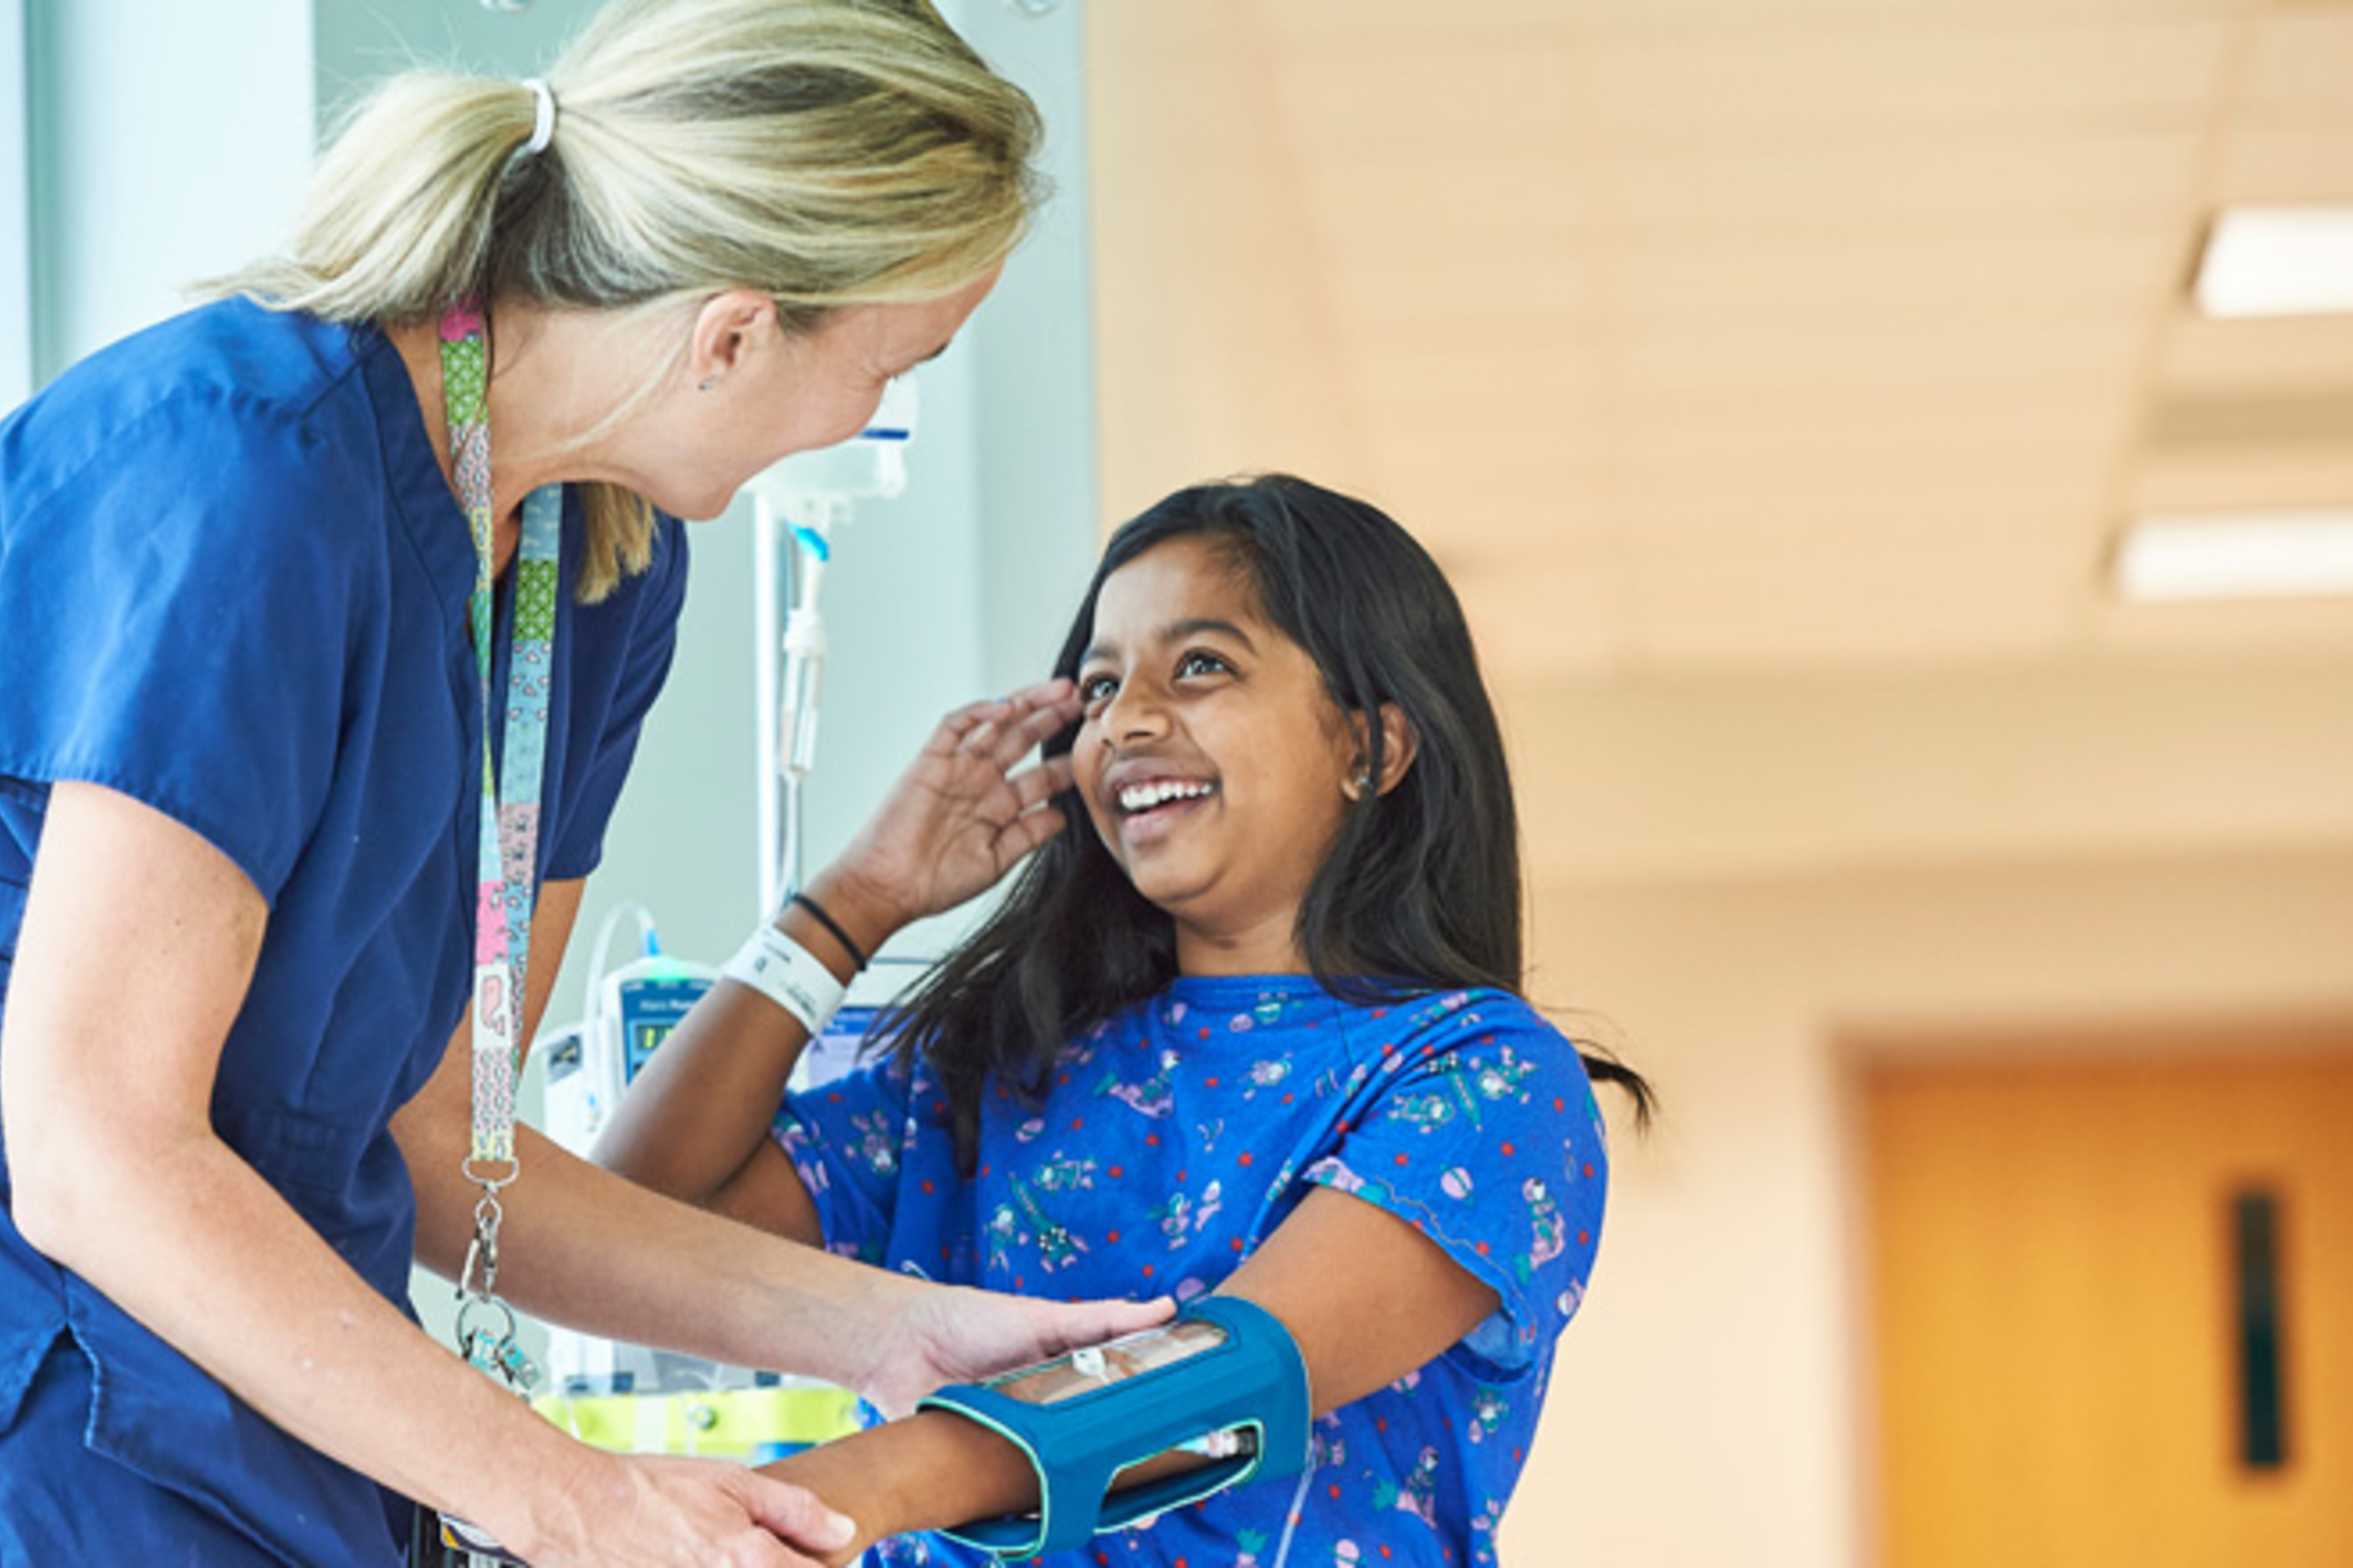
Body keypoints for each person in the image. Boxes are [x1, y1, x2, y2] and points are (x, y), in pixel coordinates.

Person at [0, 3, 1171, 1564]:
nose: (871, 421)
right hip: (63, 1439)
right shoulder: (246, 467)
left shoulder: (600, 572)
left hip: (286, 1469)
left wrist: (900, 1331)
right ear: (736, 332)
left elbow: (440, 1141)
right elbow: (92, 1150)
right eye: (895, 364)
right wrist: (574, 1495)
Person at [599, 475, 1654, 1567]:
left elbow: (1225, 1375)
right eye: (1099, 686)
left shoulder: (1483, 1075)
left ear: (1368, 746)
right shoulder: (1004, 1069)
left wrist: (786, 1505)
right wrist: (854, 901)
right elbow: (631, 1228)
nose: (1130, 720)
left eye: (1202, 665)